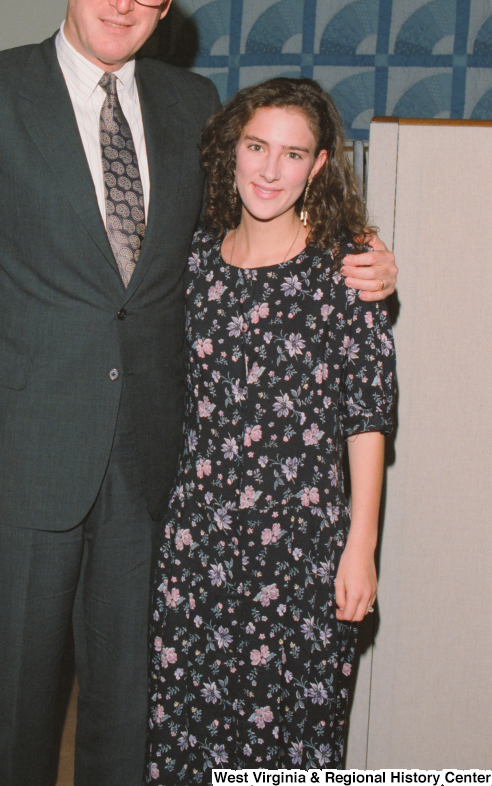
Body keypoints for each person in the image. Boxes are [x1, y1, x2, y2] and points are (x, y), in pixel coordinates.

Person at [0, 0, 397, 786]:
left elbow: (251, 230)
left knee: (129, 706)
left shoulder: (192, 103)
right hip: (18, 463)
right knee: (16, 706)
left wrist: (360, 254)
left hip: (155, 467)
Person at [145, 78, 396, 780]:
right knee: (185, 734)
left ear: (318, 166)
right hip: (195, 548)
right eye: (256, 146)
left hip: (300, 556)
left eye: (292, 154)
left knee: (289, 746)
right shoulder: (191, 261)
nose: (269, 169)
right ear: (232, 150)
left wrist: (361, 548)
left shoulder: (344, 270)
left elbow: (366, 418)